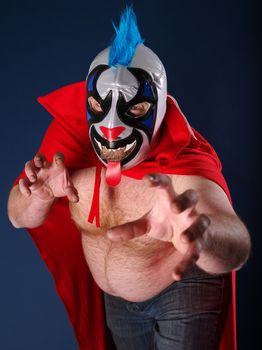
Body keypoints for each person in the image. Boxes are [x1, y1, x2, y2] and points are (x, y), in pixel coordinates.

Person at [8, 6, 250, 350]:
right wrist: (39, 196)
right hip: (117, 305)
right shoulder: (70, 142)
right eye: (99, 104)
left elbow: (234, 243)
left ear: (160, 108)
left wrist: (201, 233)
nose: (111, 126)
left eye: (134, 109)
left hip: (181, 293)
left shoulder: (182, 157)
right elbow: (18, 216)